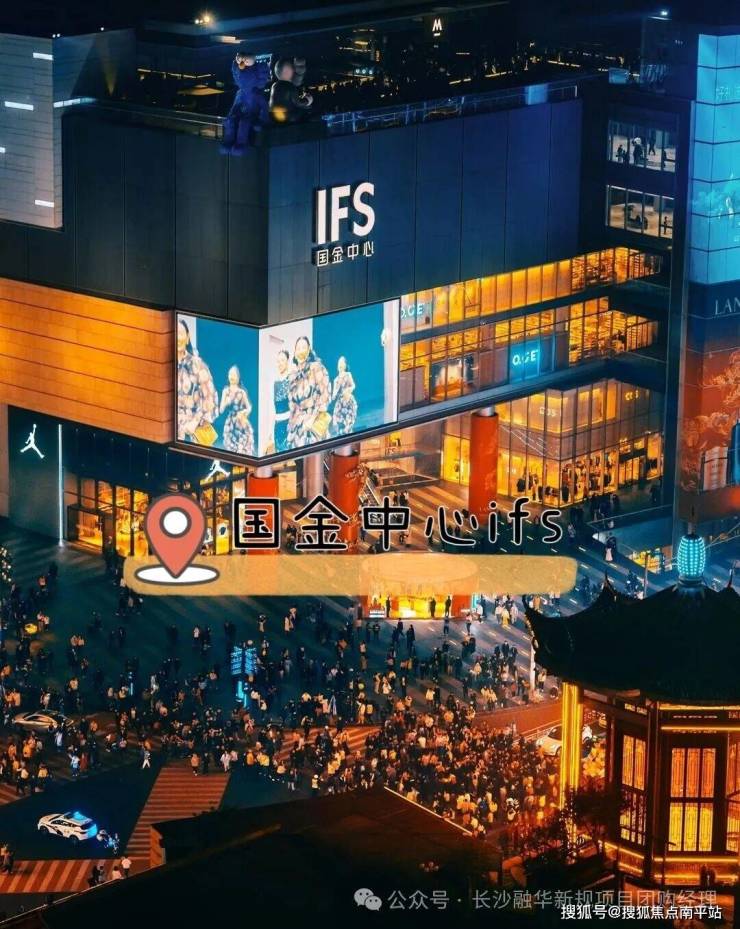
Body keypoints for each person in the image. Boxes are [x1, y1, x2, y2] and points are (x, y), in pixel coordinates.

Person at [176, 319, 218, 444]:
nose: (177, 337)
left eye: (180, 333)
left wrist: (194, 422)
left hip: (192, 435)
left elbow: (211, 399)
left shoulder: (198, 365)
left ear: (187, 337)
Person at [221, 52, 270, 154]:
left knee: (244, 123)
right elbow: (235, 106)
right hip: (241, 114)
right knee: (231, 122)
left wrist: (261, 121)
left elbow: (264, 108)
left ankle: (241, 143)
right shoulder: (240, 93)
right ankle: (228, 141)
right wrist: (230, 116)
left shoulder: (256, 94)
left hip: (251, 117)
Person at [286, 336, 331, 449]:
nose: (301, 351)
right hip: (297, 428)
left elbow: (325, 395)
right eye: (298, 348)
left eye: (303, 347)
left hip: (313, 425)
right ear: (295, 352)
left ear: (309, 349)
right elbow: (292, 404)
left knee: (315, 457)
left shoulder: (316, 368)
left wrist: (312, 420)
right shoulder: (292, 375)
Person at [220, 366, 254, 455]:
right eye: (230, 374)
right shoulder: (225, 391)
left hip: (241, 422)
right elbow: (221, 410)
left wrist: (244, 412)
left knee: (242, 450)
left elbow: (249, 407)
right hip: (230, 424)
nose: (232, 376)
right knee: (231, 451)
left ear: (238, 377)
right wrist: (226, 402)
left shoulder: (242, 392)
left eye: (234, 374)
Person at [269, 57, 313, 122]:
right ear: (286, 72)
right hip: (287, 117)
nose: (294, 71)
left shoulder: (274, 85)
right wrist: (307, 100)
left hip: (273, 117)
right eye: (292, 69)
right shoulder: (289, 86)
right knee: (307, 110)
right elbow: (297, 103)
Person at [329, 356, 358, 437]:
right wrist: (333, 395)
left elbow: (353, 385)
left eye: (342, 363)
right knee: (338, 424)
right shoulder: (336, 380)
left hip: (348, 401)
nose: (340, 365)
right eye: (339, 363)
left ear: (345, 365)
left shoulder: (348, 374)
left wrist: (348, 390)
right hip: (340, 404)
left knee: (348, 424)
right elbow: (333, 395)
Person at [270, 350, 291, 453]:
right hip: (278, 425)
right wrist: (271, 432)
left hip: (289, 424)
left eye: (282, 360)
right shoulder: (275, 382)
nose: (280, 363)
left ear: (287, 361)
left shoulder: (291, 379)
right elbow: (273, 409)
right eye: (278, 361)